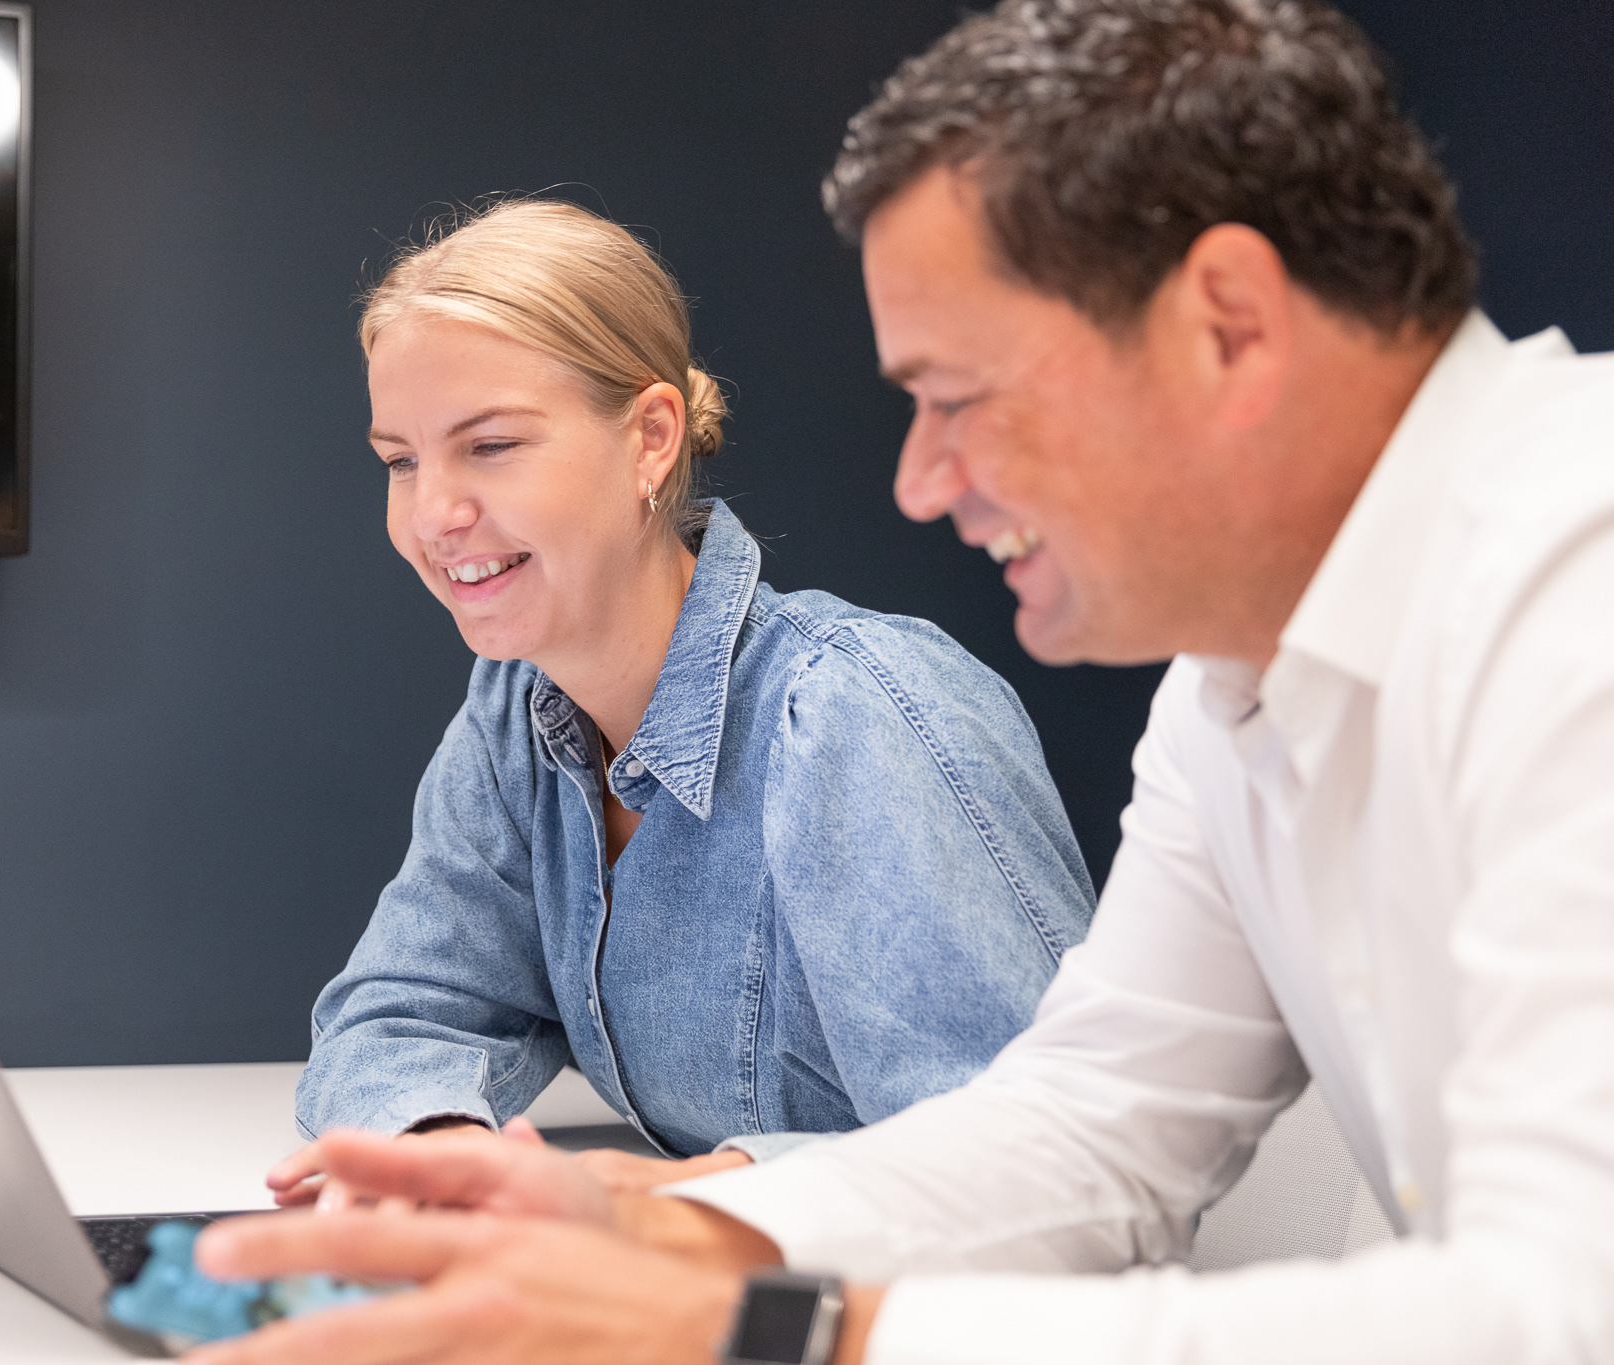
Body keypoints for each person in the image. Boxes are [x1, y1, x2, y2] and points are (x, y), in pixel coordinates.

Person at [185, 2, 1614, 1363]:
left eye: (959, 396)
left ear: (1228, 324)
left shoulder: (1578, 576)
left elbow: (1569, 1316)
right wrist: (658, 1231)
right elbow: (1086, 1130)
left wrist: (777, 1325)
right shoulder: (1233, 680)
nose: (921, 483)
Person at [280, 200, 1095, 1198]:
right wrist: (436, 1148)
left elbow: (1035, 1166)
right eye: (400, 462)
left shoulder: (859, 715)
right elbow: (407, 1004)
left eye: (489, 446)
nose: (433, 514)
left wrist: (691, 1202)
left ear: (651, 440)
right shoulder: (517, 709)